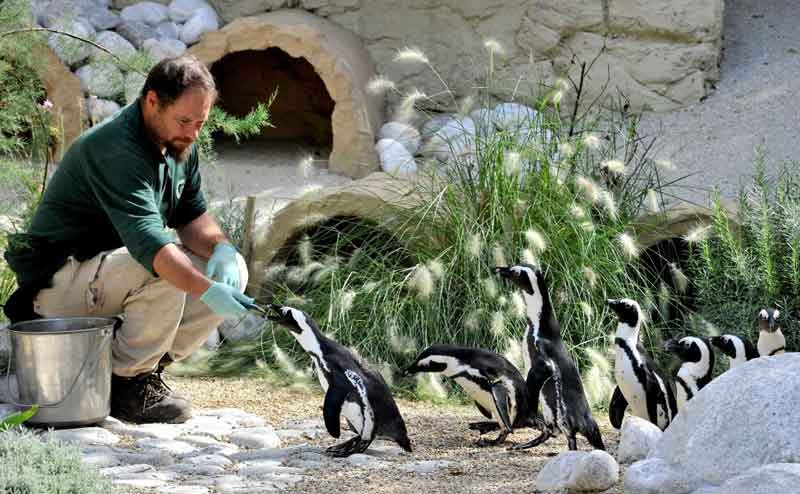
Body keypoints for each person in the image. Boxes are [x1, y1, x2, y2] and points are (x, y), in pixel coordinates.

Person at [3, 54, 254, 424]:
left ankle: (143, 372)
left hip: (107, 274)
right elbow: (151, 246)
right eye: (185, 120)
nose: (193, 132)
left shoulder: (180, 143)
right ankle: (125, 384)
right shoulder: (117, 148)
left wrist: (223, 249)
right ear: (152, 101)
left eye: (201, 122)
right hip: (57, 283)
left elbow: (192, 216)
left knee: (230, 271)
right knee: (167, 272)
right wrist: (204, 289)